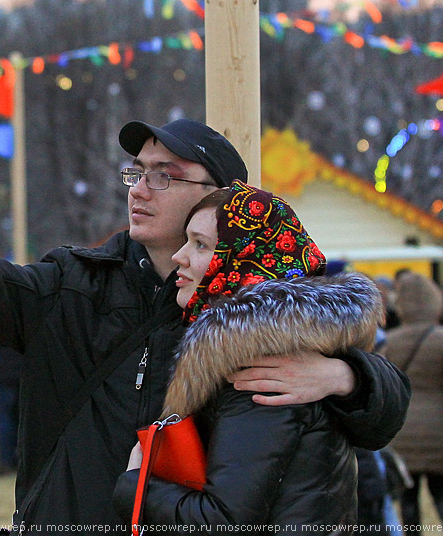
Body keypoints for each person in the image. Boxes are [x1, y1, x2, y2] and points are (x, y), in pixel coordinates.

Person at [0, 118, 410, 534]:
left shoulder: (260, 312)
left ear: (222, 197)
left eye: (166, 175)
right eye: (137, 173)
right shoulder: (73, 286)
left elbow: (381, 419)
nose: (140, 188)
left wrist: (347, 374)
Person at [113, 183, 380, 532]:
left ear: (243, 258)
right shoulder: (272, 345)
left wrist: (134, 485)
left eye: (201, 244)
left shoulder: (262, 368)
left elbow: (223, 521)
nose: (180, 256)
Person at [380, 272, 443, 536]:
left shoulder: (391, 340)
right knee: (442, 492)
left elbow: (388, 388)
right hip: (441, 428)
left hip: (404, 430)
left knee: (409, 497)